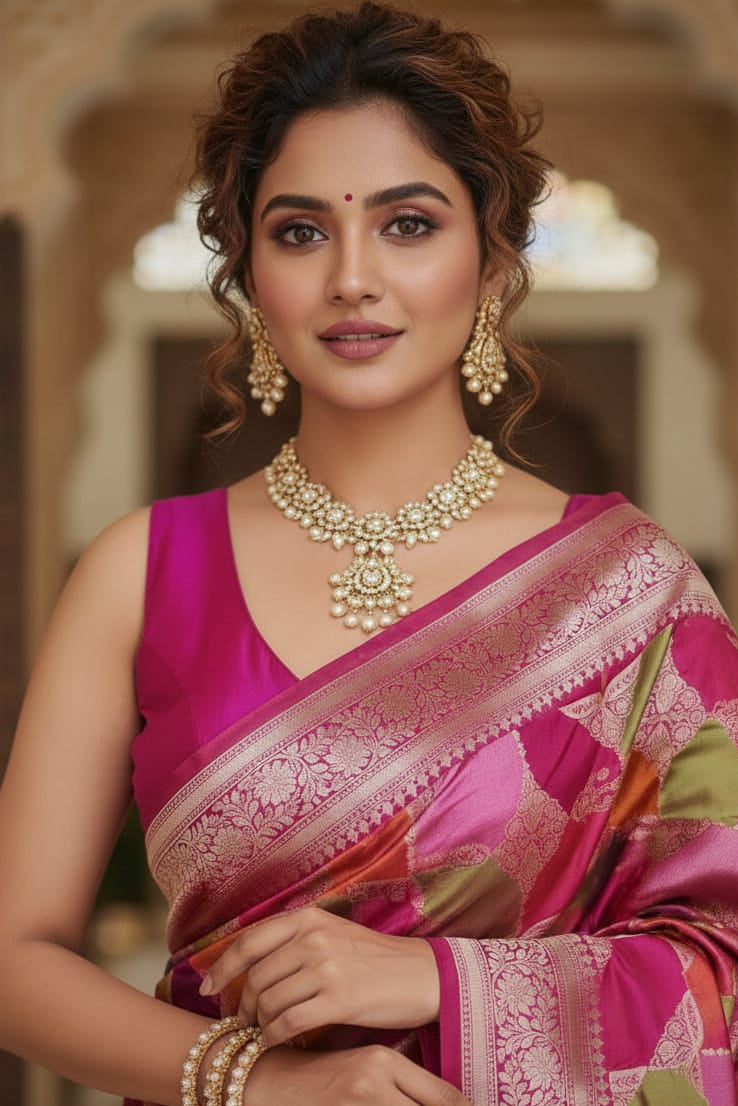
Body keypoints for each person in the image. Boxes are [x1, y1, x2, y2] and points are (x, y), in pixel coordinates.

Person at [1, 2, 737, 1104]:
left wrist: (441, 979)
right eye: (301, 231)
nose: (352, 276)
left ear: (490, 261)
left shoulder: (632, 587)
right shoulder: (139, 573)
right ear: (248, 271)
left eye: (409, 224)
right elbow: (16, 961)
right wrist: (263, 1080)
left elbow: (725, 965)